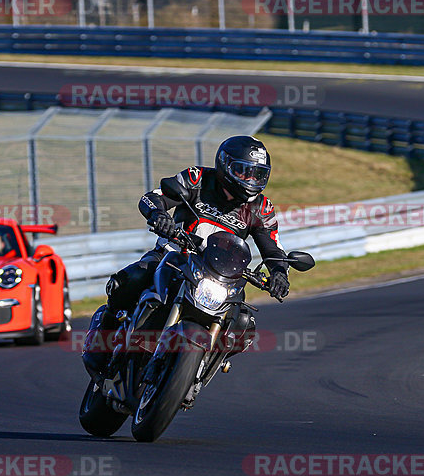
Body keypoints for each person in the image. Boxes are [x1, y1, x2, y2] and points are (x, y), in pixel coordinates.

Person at [82, 135, 290, 375]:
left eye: (257, 174)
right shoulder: (197, 179)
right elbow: (152, 197)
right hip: (174, 256)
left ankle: (201, 368)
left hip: (221, 276)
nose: (250, 179)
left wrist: (279, 274)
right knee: (129, 281)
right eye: (244, 172)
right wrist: (159, 216)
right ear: (225, 165)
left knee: (244, 325)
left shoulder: (261, 208)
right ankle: (103, 336)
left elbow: (273, 249)